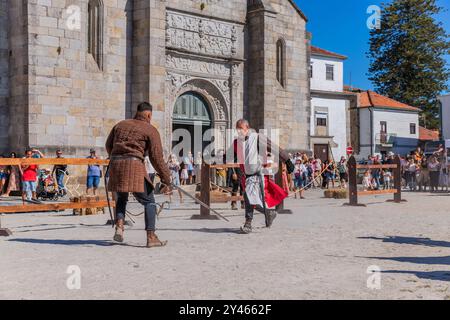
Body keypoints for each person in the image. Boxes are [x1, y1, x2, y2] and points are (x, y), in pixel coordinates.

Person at [106, 102, 172, 248]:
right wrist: (167, 178)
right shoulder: (150, 129)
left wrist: (116, 157)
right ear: (149, 114)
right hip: (134, 166)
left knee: (121, 199)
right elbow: (157, 158)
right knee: (149, 202)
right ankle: (151, 236)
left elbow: (108, 145)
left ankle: (119, 226)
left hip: (116, 167)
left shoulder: (120, 125)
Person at [233, 119, 293, 234]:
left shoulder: (257, 137)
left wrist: (287, 160)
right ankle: (269, 213)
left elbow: (274, 148)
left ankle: (248, 224)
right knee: (250, 199)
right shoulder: (238, 142)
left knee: (249, 197)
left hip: (257, 174)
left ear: (247, 127)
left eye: (241, 128)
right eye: (237, 129)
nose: (239, 131)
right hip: (247, 175)